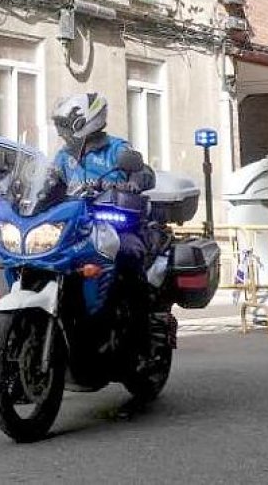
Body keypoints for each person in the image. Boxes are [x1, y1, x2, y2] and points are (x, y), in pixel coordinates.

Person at [50, 93, 165, 352]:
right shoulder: (63, 156)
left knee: (128, 254)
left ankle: (139, 333)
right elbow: (50, 181)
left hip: (115, 225)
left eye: (65, 125)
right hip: (76, 227)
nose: (62, 131)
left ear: (86, 122)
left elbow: (144, 172)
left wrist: (133, 182)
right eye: (60, 125)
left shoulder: (116, 149)